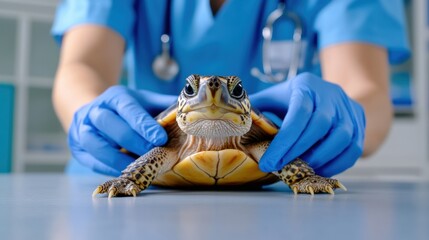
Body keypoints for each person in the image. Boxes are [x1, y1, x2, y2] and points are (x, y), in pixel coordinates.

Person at [51, 0, 409, 177]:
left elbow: (364, 86)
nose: (212, 93)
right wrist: (91, 112)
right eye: (200, 89)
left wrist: (348, 114)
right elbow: (82, 65)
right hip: (127, 170)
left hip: (282, 199)